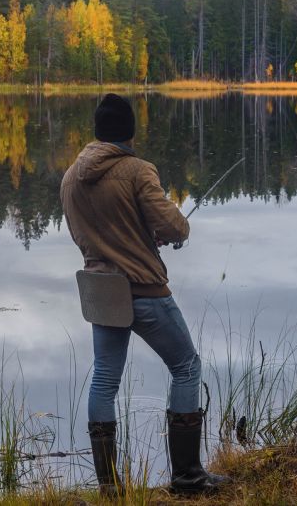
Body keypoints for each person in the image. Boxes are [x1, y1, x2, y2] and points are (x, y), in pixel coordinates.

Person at [59, 93, 230, 496]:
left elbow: (92, 233)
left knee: (104, 380)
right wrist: (167, 234)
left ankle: (110, 487)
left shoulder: (69, 178)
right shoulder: (137, 170)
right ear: (130, 132)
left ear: (98, 130)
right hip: (144, 290)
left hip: (101, 290)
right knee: (186, 367)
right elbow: (174, 226)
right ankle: (187, 477)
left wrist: (132, 237)